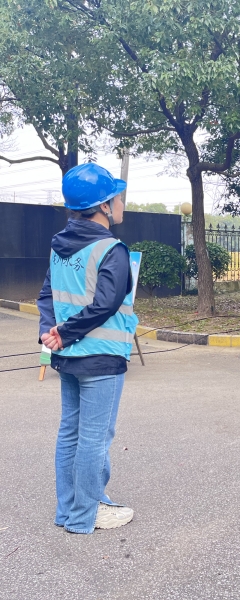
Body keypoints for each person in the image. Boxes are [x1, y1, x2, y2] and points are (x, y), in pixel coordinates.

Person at [37, 163, 138, 533]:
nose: (122, 203)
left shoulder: (59, 247)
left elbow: (46, 296)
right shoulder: (112, 249)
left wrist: (50, 333)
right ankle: (86, 515)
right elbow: (106, 304)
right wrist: (64, 333)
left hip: (67, 357)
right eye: (117, 197)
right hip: (101, 358)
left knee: (70, 434)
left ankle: (68, 510)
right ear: (104, 206)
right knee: (95, 438)